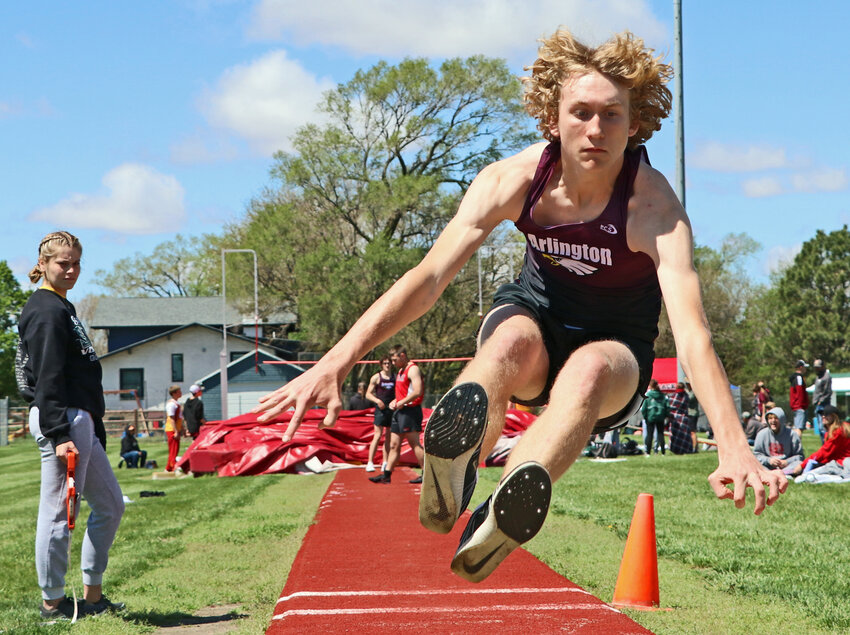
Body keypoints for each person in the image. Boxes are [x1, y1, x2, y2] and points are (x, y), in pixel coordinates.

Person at [254, 28, 786, 583]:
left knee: (588, 370)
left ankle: (506, 509)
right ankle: (455, 470)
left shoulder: (653, 208)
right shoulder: (515, 180)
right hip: (533, 319)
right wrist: (337, 359)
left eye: (612, 115)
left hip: (618, 350)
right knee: (509, 341)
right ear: (552, 115)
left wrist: (734, 447)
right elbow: (429, 276)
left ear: (635, 124)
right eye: (580, 112)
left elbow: (692, 334)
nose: (596, 129)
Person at [16, 231, 125, 619]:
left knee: (110, 505)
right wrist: (60, 433)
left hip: (81, 419)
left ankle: (92, 596)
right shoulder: (45, 309)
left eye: (76, 262)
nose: (72, 269)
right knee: (58, 513)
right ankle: (52, 603)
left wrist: (92, 427)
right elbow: (47, 378)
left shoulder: (64, 306)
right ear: (43, 263)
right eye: (63, 262)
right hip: (61, 421)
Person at [368, 345, 425, 484]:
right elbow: (403, 392)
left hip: (410, 412)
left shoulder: (413, 369)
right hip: (399, 411)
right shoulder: (400, 370)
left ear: (403, 356)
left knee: (414, 443)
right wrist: (395, 401)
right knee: (394, 444)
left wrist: (402, 402)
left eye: (394, 360)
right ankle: (386, 475)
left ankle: (427, 474)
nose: (392, 363)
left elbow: (417, 391)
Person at [789, 405, 850, 476]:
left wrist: (802, 465)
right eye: (822, 414)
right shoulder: (840, 428)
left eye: (827, 414)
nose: (823, 416)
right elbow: (828, 455)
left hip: (844, 464)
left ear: (834, 416)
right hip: (839, 462)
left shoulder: (837, 432)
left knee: (812, 474)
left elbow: (823, 453)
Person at [364, 357, 396, 472]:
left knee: (388, 436)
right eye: (385, 363)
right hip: (380, 409)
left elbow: (401, 391)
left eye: (389, 363)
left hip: (391, 409)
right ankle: (370, 462)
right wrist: (377, 401)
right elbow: (368, 394)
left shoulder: (395, 377)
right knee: (377, 435)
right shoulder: (377, 377)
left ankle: (385, 462)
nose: (387, 365)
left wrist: (396, 400)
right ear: (381, 365)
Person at [752, 407, 805, 473]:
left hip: (786, 466)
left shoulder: (792, 435)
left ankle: (784, 473)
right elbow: (756, 455)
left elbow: (800, 456)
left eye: (776, 418)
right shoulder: (761, 434)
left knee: (799, 464)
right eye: (770, 418)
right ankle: (771, 473)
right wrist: (769, 460)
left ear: (782, 420)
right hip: (768, 466)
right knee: (753, 464)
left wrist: (787, 462)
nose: (773, 421)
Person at [641, 379, 669, 455]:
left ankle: (648, 452)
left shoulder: (648, 395)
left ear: (650, 386)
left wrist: (645, 416)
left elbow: (643, 408)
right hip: (660, 417)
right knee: (660, 434)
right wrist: (666, 415)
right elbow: (667, 407)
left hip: (650, 417)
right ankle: (663, 452)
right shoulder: (662, 395)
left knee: (649, 434)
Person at [668, 381, 693, 454]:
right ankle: (686, 449)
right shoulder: (686, 396)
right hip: (684, 417)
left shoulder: (674, 396)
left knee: (675, 435)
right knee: (685, 436)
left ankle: (675, 449)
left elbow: (670, 405)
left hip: (675, 418)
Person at [164, 385, 185, 472]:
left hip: (176, 429)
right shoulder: (171, 404)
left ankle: (169, 468)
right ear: (174, 393)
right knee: (173, 449)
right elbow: (172, 419)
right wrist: (176, 431)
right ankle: (172, 467)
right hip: (171, 429)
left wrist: (182, 429)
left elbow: (179, 419)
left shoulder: (177, 404)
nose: (181, 393)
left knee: (175, 449)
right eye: (179, 392)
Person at [811, 359, 832, 442]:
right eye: (815, 368)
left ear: (823, 366)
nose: (816, 369)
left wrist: (821, 401)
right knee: (820, 428)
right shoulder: (818, 377)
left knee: (823, 427)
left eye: (818, 367)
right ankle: (823, 446)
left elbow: (828, 391)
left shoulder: (826, 377)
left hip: (823, 405)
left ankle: (826, 445)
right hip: (817, 404)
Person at [788, 360, 809, 437]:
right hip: (799, 406)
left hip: (797, 406)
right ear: (800, 367)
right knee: (799, 428)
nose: (805, 369)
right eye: (804, 367)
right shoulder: (799, 378)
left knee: (798, 427)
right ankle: (797, 446)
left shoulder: (796, 377)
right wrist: (801, 405)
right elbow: (800, 392)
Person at [685, 380, 701, 450]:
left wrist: (685, 393)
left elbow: (689, 399)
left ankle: (694, 447)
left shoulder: (693, 392)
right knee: (691, 431)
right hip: (690, 413)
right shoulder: (690, 391)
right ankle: (694, 446)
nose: (687, 385)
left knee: (692, 432)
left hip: (693, 414)